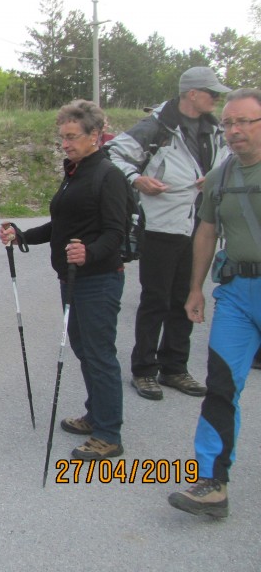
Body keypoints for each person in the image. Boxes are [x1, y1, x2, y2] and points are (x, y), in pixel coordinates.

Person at [0, 100, 128, 460]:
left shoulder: (109, 176)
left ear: (94, 136)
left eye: (72, 137)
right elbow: (61, 227)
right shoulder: (74, 173)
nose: (66, 144)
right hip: (70, 278)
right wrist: (22, 235)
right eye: (62, 138)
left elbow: (116, 232)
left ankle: (109, 434)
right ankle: (96, 414)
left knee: (100, 353)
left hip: (99, 279)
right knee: (85, 350)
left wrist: (90, 252)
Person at [107, 66, 229, 401]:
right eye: (212, 92)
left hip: (201, 224)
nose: (217, 99)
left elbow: (233, 161)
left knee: (186, 297)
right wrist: (138, 179)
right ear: (192, 93)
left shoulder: (217, 129)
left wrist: (217, 176)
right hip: (162, 223)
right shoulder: (156, 125)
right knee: (155, 299)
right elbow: (113, 154)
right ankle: (144, 370)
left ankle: (174, 367)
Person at [167, 88, 261, 518]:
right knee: (221, 387)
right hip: (238, 295)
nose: (235, 130)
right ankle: (212, 482)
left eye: (245, 121)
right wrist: (194, 289)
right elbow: (205, 232)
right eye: (228, 123)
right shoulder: (221, 177)